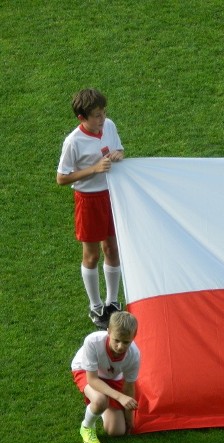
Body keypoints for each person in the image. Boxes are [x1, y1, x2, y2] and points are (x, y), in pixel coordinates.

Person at [57, 88, 125, 328]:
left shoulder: (110, 126)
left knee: (112, 248)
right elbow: (62, 178)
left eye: (103, 112)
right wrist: (94, 169)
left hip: (111, 195)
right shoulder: (73, 142)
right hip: (88, 200)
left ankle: (112, 302)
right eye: (96, 115)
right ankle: (95, 306)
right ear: (82, 118)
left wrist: (118, 154)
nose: (102, 118)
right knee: (92, 254)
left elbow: (120, 149)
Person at [71, 311, 141, 443]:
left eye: (126, 342)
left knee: (117, 431)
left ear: (133, 337)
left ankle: (101, 407)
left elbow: (128, 387)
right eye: (116, 340)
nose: (120, 346)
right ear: (108, 331)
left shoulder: (134, 355)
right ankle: (87, 426)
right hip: (85, 371)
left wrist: (129, 418)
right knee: (100, 400)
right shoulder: (93, 341)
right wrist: (119, 397)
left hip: (111, 377)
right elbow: (92, 380)